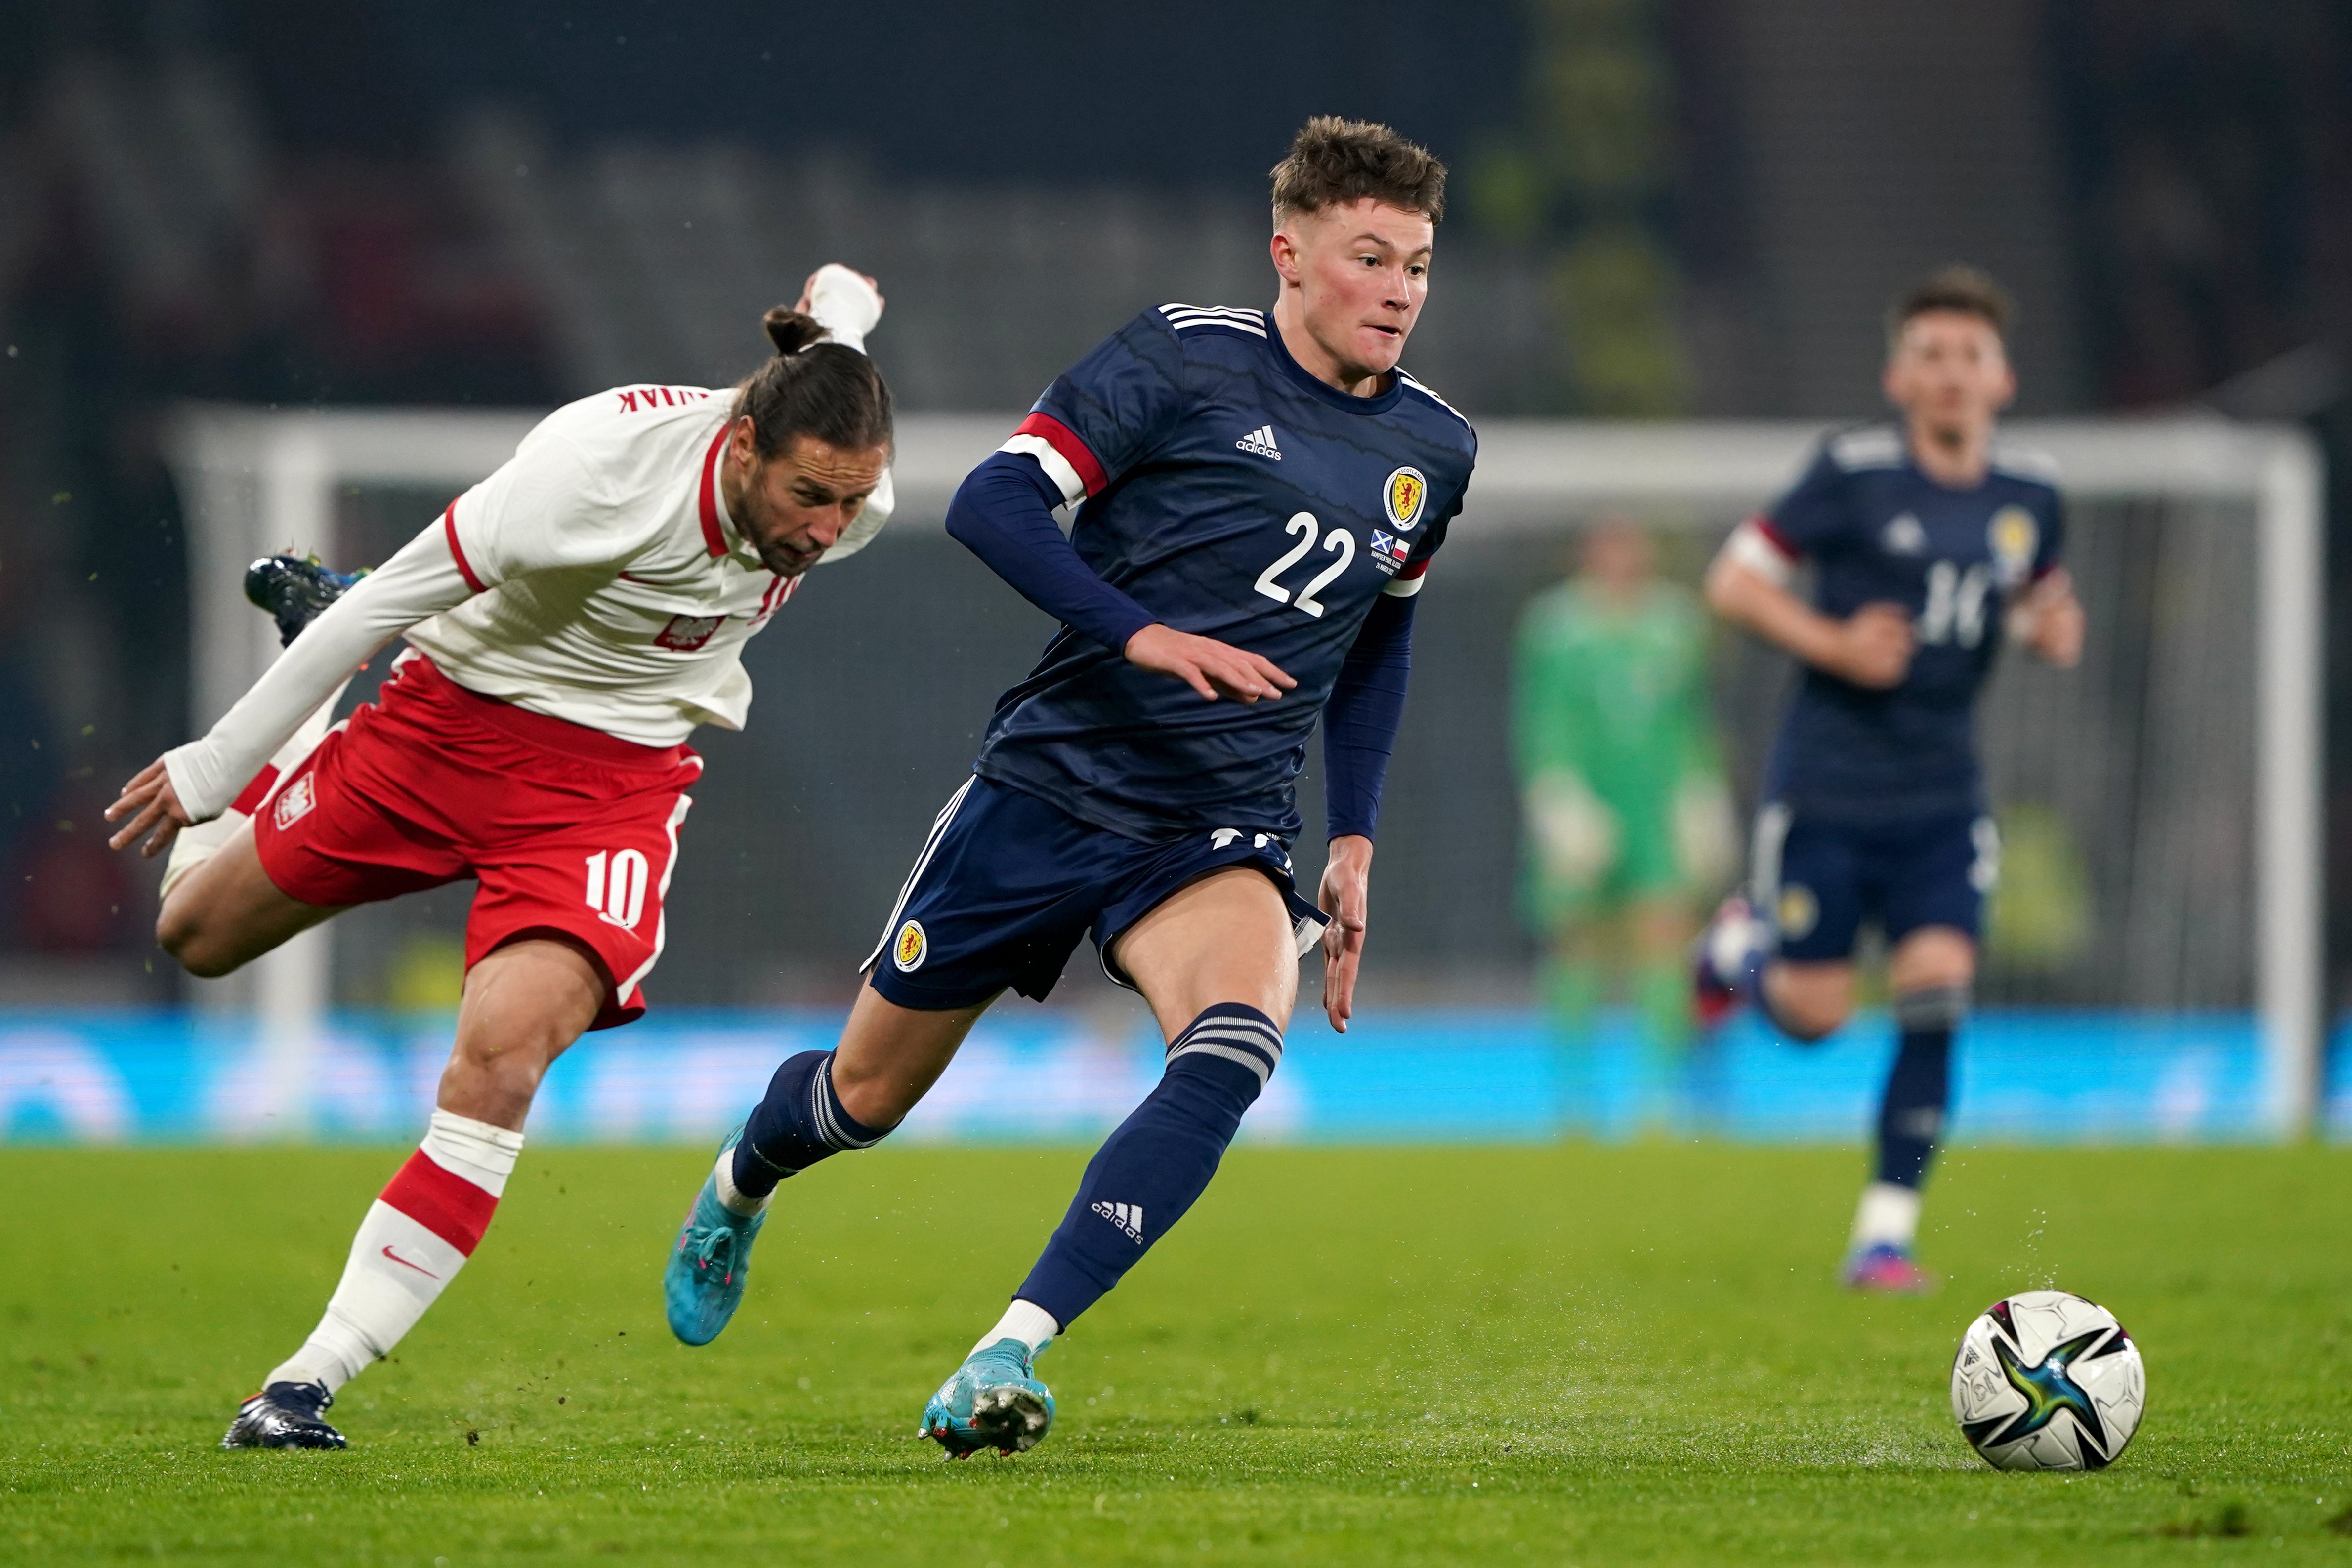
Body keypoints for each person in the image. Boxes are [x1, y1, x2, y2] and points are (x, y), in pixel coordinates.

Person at [662, 117, 1475, 1458]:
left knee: (1231, 1048)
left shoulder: (1435, 450)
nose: (1400, 290)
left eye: (1421, 264)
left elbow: (1382, 629)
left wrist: (1357, 833)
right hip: (1050, 785)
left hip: (1216, 822)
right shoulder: (1180, 358)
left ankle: (1011, 1345)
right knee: (861, 1099)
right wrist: (1138, 630)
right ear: (1290, 253)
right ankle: (742, 1179)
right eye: (1371, 256)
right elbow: (992, 499)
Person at [103, 267, 897, 1448]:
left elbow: (816, 369)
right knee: (195, 937)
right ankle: (291, 745)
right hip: (444, 720)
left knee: (504, 1061)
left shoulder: (834, 482)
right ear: (740, 449)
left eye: (851, 502)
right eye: (809, 499)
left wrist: (841, 312)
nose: (829, 532)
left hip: (606, 791)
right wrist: (216, 767)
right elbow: (370, 623)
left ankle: (303, 1383)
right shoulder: (586, 479)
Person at [1692, 264, 2084, 1292]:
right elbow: (1732, 582)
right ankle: (1742, 944)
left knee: (1938, 987)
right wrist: (1832, 640)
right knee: (1815, 1017)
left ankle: (1883, 1235)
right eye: (1930, 357)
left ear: (2000, 379)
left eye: (1969, 356)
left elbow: (2043, 600)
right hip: (1825, 786)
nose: (1951, 374)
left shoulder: (2032, 496)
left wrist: (2052, 631)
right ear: (1896, 378)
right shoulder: (1851, 473)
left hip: (1941, 793)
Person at [1512, 518, 1734, 1089]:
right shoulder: (1554, 628)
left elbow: (1693, 722)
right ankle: (1574, 1104)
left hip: (1654, 807)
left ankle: (1655, 1106)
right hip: (1585, 800)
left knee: (1663, 939)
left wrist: (1701, 794)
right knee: (1575, 942)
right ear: (1586, 555)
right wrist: (1555, 796)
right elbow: (1541, 720)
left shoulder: (1676, 624)